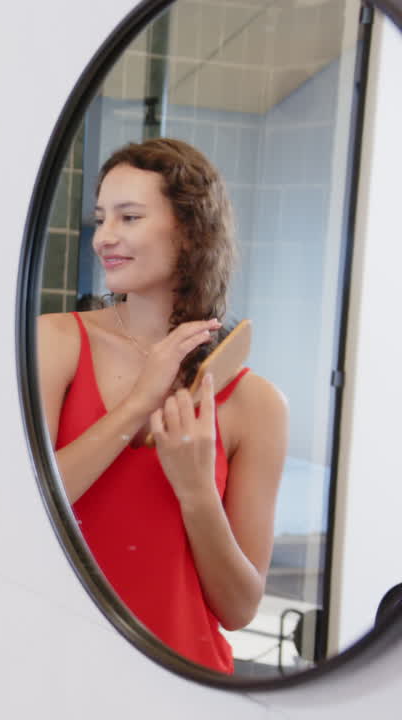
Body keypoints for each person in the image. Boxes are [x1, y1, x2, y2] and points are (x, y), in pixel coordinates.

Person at [37, 138, 288, 673]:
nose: (104, 238)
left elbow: (240, 608)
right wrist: (138, 404)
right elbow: (22, 508)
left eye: (129, 217)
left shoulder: (257, 404)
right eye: (101, 218)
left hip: (185, 684)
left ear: (191, 232)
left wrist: (196, 489)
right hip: (54, 668)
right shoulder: (55, 343)